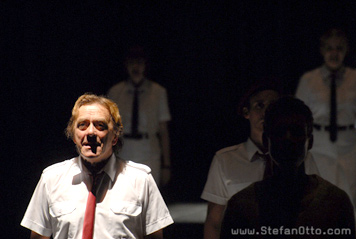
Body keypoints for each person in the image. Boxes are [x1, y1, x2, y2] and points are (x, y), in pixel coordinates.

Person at [21, 93, 173, 239]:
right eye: (82, 125)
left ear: (115, 136)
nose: (91, 132)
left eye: (100, 125)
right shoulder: (51, 179)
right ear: (73, 135)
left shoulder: (141, 180)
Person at [220, 97, 355, 238]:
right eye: (279, 132)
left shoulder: (336, 203)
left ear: (310, 141)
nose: (288, 139)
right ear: (266, 140)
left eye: (296, 132)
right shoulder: (241, 206)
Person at [201, 83, 320, 239]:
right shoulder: (225, 160)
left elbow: (315, 212)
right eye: (259, 106)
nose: (266, 112)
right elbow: (214, 221)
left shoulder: (299, 156)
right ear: (246, 112)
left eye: (273, 107)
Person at [295, 28, 356, 214]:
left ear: (346, 50)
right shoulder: (309, 80)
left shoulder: (355, 78)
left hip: (349, 145)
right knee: (321, 198)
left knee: (351, 197)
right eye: (330, 48)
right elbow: (298, 116)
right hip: (319, 145)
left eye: (339, 48)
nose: (334, 53)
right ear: (322, 51)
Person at [107, 46, 171, 186]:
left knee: (149, 195)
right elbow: (109, 128)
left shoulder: (158, 92)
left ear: (145, 66)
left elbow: (163, 130)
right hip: (124, 150)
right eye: (132, 64)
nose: (135, 67)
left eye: (139, 63)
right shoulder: (116, 92)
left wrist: (166, 164)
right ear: (126, 66)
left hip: (149, 150)